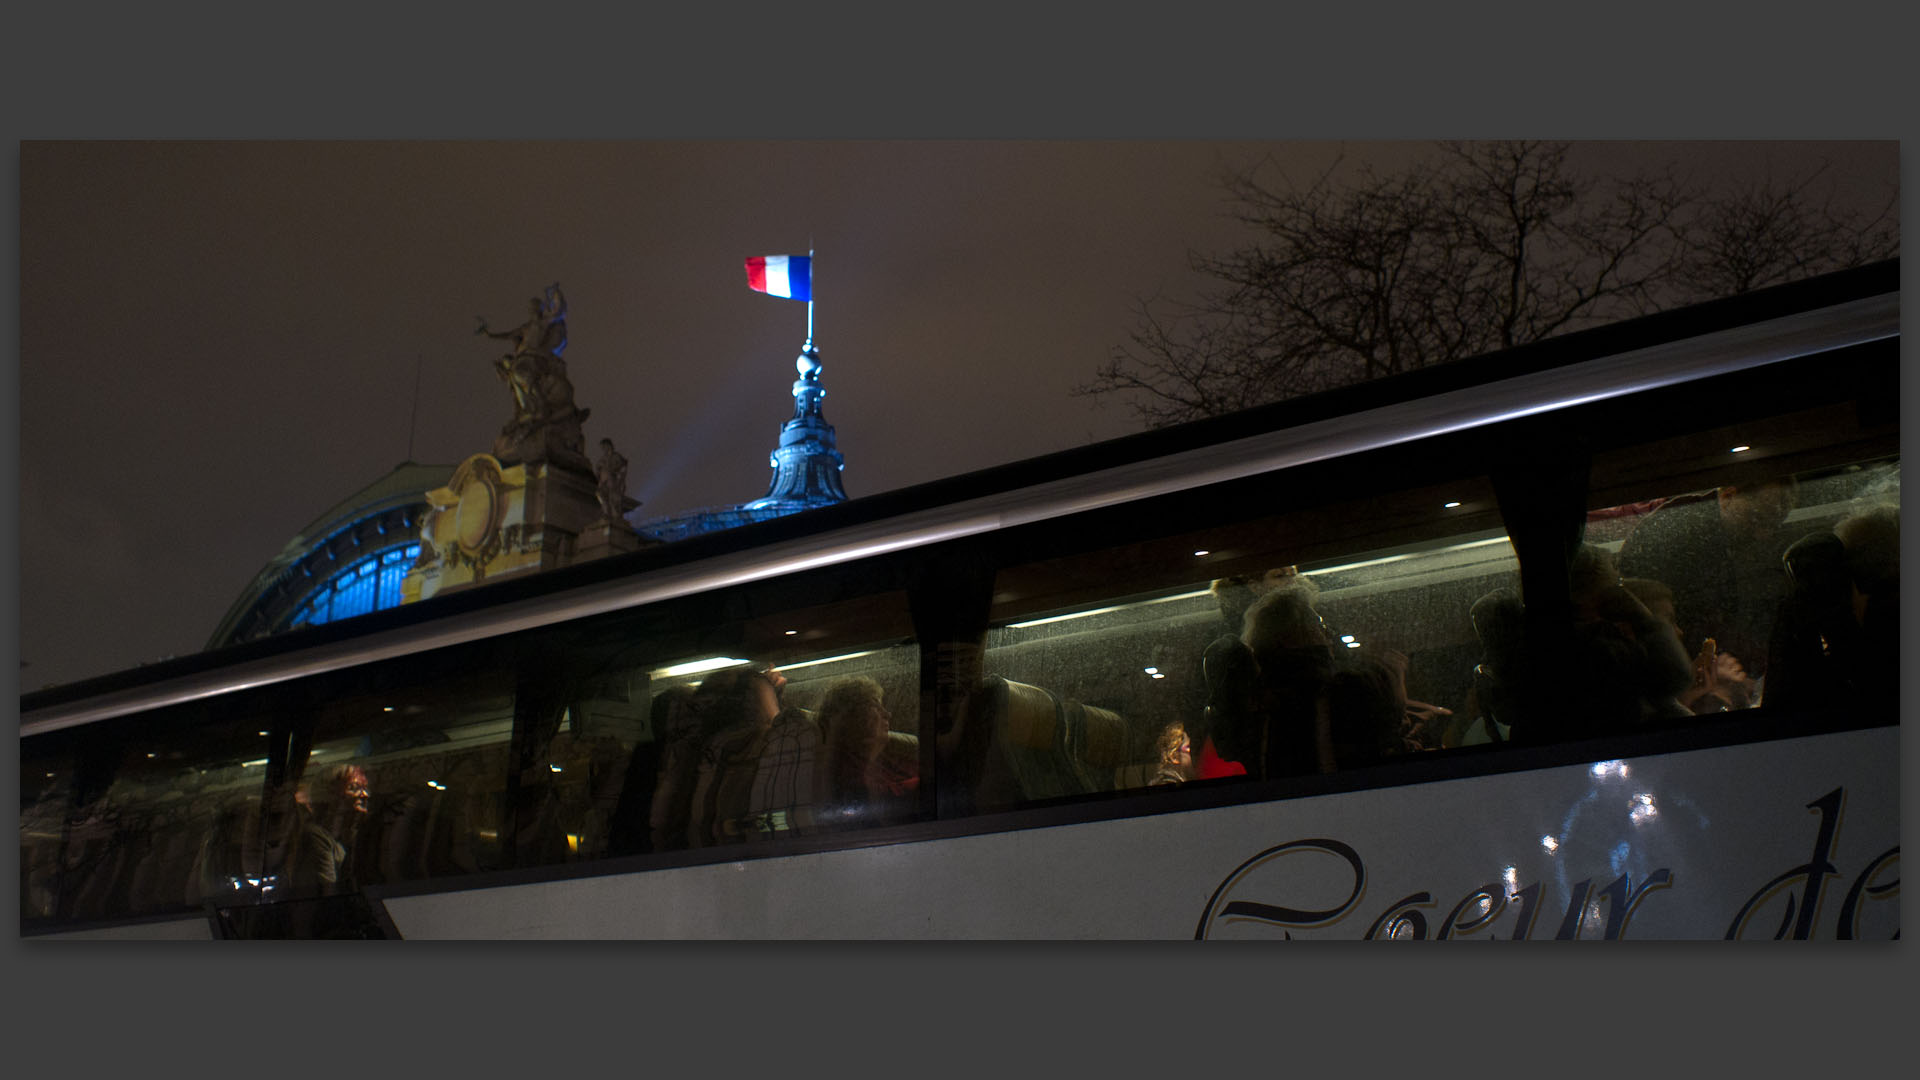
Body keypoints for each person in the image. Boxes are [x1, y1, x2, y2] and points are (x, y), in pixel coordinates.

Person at [817, 676, 918, 825]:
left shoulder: (889, 757)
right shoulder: (844, 774)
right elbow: (880, 819)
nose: (887, 714)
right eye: (876, 706)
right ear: (853, 716)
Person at [594, 438, 630, 522]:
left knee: (613, 496)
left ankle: (615, 514)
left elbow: (623, 467)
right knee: (600, 494)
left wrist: (619, 477)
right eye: (602, 448)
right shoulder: (602, 459)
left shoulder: (616, 456)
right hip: (603, 481)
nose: (603, 449)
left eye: (604, 447)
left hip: (612, 479)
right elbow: (598, 470)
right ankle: (605, 511)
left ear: (609, 446)